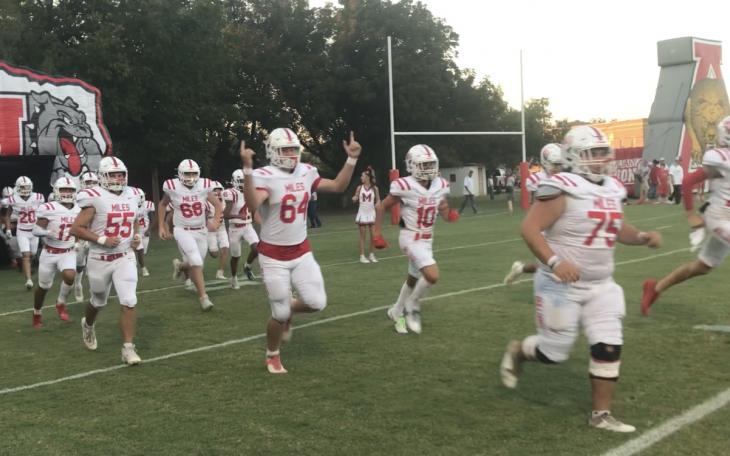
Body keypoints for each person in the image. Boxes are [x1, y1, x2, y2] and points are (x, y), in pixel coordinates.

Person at [499, 125, 662, 433]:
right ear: (574, 156)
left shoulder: (612, 187)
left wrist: (641, 237)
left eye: (604, 153)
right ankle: (519, 351)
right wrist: (555, 262)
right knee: (554, 352)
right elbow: (530, 229)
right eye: (594, 153)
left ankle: (601, 415)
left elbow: (616, 226)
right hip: (560, 285)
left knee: (609, 346)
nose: (601, 159)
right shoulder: (561, 186)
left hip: (602, 285)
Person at [240, 128, 362, 374]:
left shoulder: (306, 171)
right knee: (279, 312)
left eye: (294, 149)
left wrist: (351, 159)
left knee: (317, 303)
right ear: (273, 151)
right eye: (285, 149)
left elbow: (338, 186)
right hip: (273, 254)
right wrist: (247, 171)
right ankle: (272, 354)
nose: (290, 154)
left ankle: (289, 308)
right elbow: (252, 205)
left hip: (301, 251)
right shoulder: (266, 175)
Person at [641, 115, 730, 316]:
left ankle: (654, 288)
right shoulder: (721, 158)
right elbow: (689, 181)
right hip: (719, 215)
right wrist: (691, 215)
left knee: (703, 266)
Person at [373, 144, 459, 335]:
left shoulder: (440, 184)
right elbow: (381, 207)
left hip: (428, 239)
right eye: (424, 164)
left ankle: (396, 311)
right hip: (410, 237)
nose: (428, 169)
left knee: (413, 278)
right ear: (411, 165)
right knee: (432, 275)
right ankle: (412, 303)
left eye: (430, 164)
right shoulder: (405, 185)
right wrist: (377, 234)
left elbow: (442, 205)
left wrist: (448, 214)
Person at [70, 156, 142, 365]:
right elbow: (76, 229)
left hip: (124, 256)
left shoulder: (132, 194)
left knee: (129, 300)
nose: (118, 178)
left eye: (121, 174)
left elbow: (134, 220)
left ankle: (128, 348)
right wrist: (102, 239)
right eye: (113, 174)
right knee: (98, 300)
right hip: (99, 258)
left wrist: (136, 236)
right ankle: (88, 324)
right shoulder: (94, 197)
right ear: (103, 176)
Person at [158, 159, 223, 311]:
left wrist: (216, 222)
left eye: (194, 173)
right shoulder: (172, 186)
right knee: (196, 260)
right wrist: (162, 225)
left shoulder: (204, 185)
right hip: (182, 230)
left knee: (197, 263)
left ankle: (180, 265)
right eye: (187, 174)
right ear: (180, 174)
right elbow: (162, 204)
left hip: (201, 230)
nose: (191, 177)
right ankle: (204, 298)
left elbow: (218, 204)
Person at [505, 143, 565, 285]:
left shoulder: (566, 177)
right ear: (545, 162)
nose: (558, 168)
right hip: (544, 224)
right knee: (549, 261)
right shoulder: (535, 179)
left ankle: (520, 268)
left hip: (561, 220)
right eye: (555, 164)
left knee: (549, 262)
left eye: (560, 164)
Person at [31, 177, 80, 327]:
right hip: (50, 252)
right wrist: (46, 233)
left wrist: (78, 242)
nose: (66, 193)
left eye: (70, 190)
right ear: (56, 191)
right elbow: (35, 229)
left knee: (70, 275)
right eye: (63, 189)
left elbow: (80, 228)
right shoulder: (49, 208)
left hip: (68, 251)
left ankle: (61, 303)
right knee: (43, 287)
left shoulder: (79, 209)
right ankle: (37, 312)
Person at [2, 176, 45, 289]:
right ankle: (29, 280)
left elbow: (44, 213)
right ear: (17, 188)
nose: (25, 189)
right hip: (22, 231)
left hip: (35, 231)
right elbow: (7, 214)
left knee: (33, 254)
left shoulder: (38, 197)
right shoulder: (13, 199)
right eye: (22, 187)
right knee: (25, 255)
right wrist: (7, 228)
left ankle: (27, 268)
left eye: (27, 186)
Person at [223, 169, 259, 289]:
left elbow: (253, 207)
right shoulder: (231, 193)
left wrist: (255, 216)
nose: (245, 183)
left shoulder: (250, 192)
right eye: (242, 181)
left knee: (257, 248)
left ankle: (247, 266)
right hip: (235, 228)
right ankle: (233, 278)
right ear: (235, 181)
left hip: (247, 226)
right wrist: (238, 215)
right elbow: (225, 215)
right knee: (235, 256)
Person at [73, 171, 99, 301]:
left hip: (97, 235)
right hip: (82, 237)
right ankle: (78, 284)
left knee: (96, 264)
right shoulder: (78, 198)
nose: (91, 185)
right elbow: (75, 222)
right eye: (88, 182)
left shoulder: (101, 196)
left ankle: (94, 290)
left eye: (93, 182)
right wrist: (77, 240)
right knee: (79, 264)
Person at [352, 166, 380, 263]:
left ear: (367, 177)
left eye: (362, 176)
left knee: (373, 235)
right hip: (362, 213)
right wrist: (354, 198)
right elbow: (355, 196)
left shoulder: (375, 188)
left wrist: (377, 204)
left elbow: (378, 200)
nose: (361, 178)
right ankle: (362, 256)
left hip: (371, 212)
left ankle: (371, 254)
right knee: (363, 236)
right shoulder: (359, 188)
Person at [206, 180, 229, 280]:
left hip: (222, 227)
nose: (217, 192)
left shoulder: (223, 200)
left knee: (225, 248)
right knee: (214, 254)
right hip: (210, 229)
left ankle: (220, 272)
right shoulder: (206, 201)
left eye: (219, 189)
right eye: (215, 190)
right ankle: (206, 246)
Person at [134, 188, 155, 277]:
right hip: (135, 231)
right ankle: (143, 268)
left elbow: (152, 218)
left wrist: (149, 229)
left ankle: (135, 264)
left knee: (143, 251)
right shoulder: (130, 205)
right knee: (140, 249)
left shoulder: (148, 205)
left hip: (145, 231)